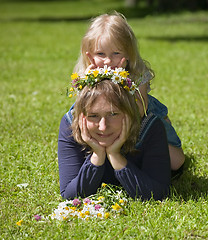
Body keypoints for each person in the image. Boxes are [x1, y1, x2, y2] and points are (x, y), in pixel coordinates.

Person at [66, 11, 185, 176]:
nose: (108, 61)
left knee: (176, 162)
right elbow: (83, 107)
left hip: (139, 119)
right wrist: (88, 82)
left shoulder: (136, 73)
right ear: (89, 55)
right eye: (101, 54)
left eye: (116, 53)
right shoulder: (86, 74)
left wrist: (121, 81)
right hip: (102, 122)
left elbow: (140, 110)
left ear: (128, 53)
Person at [58, 67, 171, 200]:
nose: (103, 126)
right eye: (93, 116)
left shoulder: (150, 127)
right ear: (82, 117)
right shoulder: (70, 125)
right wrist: (97, 156)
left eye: (113, 114)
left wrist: (115, 156)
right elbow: (70, 195)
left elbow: (158, 194)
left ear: (128, 113)